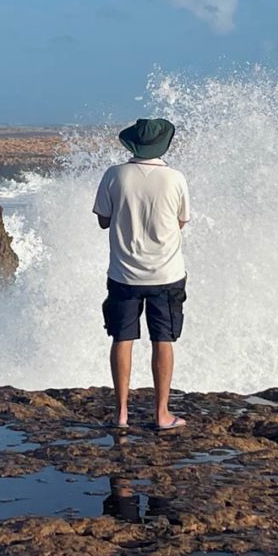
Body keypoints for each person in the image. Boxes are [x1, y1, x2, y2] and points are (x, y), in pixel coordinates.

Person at [93, 118, 190, 431]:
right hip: (166, 273)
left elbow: (103, 221)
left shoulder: (114, 175)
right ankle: (161, 414)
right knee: (163, 339)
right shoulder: (175, 178)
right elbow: (181, 221)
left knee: (123, 339)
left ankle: (121, 413)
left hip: (124, 274)